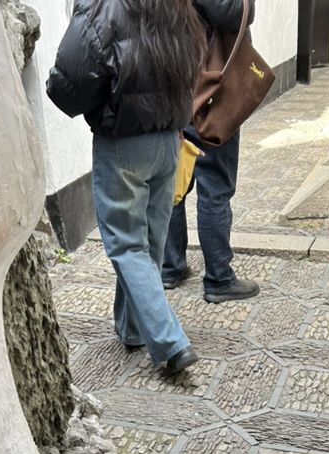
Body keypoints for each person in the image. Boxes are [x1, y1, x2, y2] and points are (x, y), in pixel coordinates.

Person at [47, 0, 206, 372]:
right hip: (169, 140)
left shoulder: (102, 7)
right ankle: (132, 329)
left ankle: (170, 343)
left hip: (123, 143)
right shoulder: (177, 7)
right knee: (148, 242)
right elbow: (189, 69)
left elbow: (69, 82)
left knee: (127, 245)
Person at [162, 0, 261, 304]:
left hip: (175, 81)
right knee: (215, 184)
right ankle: (219, 278)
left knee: (175, 183)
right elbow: (231, 12)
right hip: (210, 89)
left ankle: (171, 267)